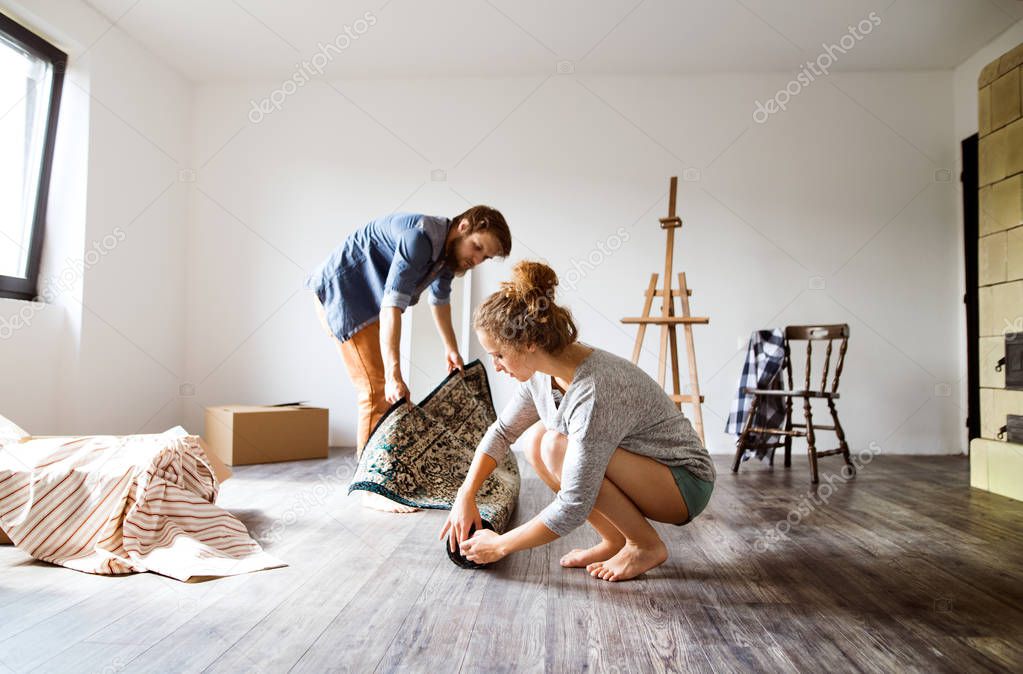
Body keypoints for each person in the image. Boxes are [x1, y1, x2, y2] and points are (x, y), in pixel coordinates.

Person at [439, 261, 715, 581]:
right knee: (537, 442)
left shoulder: (594, 389)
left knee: (556, 445)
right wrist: (466, 494)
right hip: (649, 474)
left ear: (529, 343)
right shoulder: (541, 375)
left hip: (684, 484)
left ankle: (644, 545)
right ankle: (615, 540)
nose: (496, 366)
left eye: (498, 355)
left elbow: (574, 503)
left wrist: (501, 545)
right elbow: (502, 432)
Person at [307, 207, 511, 511]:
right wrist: (393, 372)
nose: (477, 260)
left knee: (386, 392)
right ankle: (371, 489)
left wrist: (451, 349)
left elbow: (440, 300)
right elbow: (393, 304)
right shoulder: (420, 239)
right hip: (342, 294)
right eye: (478, 247)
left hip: (368, 304)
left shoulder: (447, 256)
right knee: (376, 391)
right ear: (463, 226)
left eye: (485, 258)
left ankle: (382, 474)